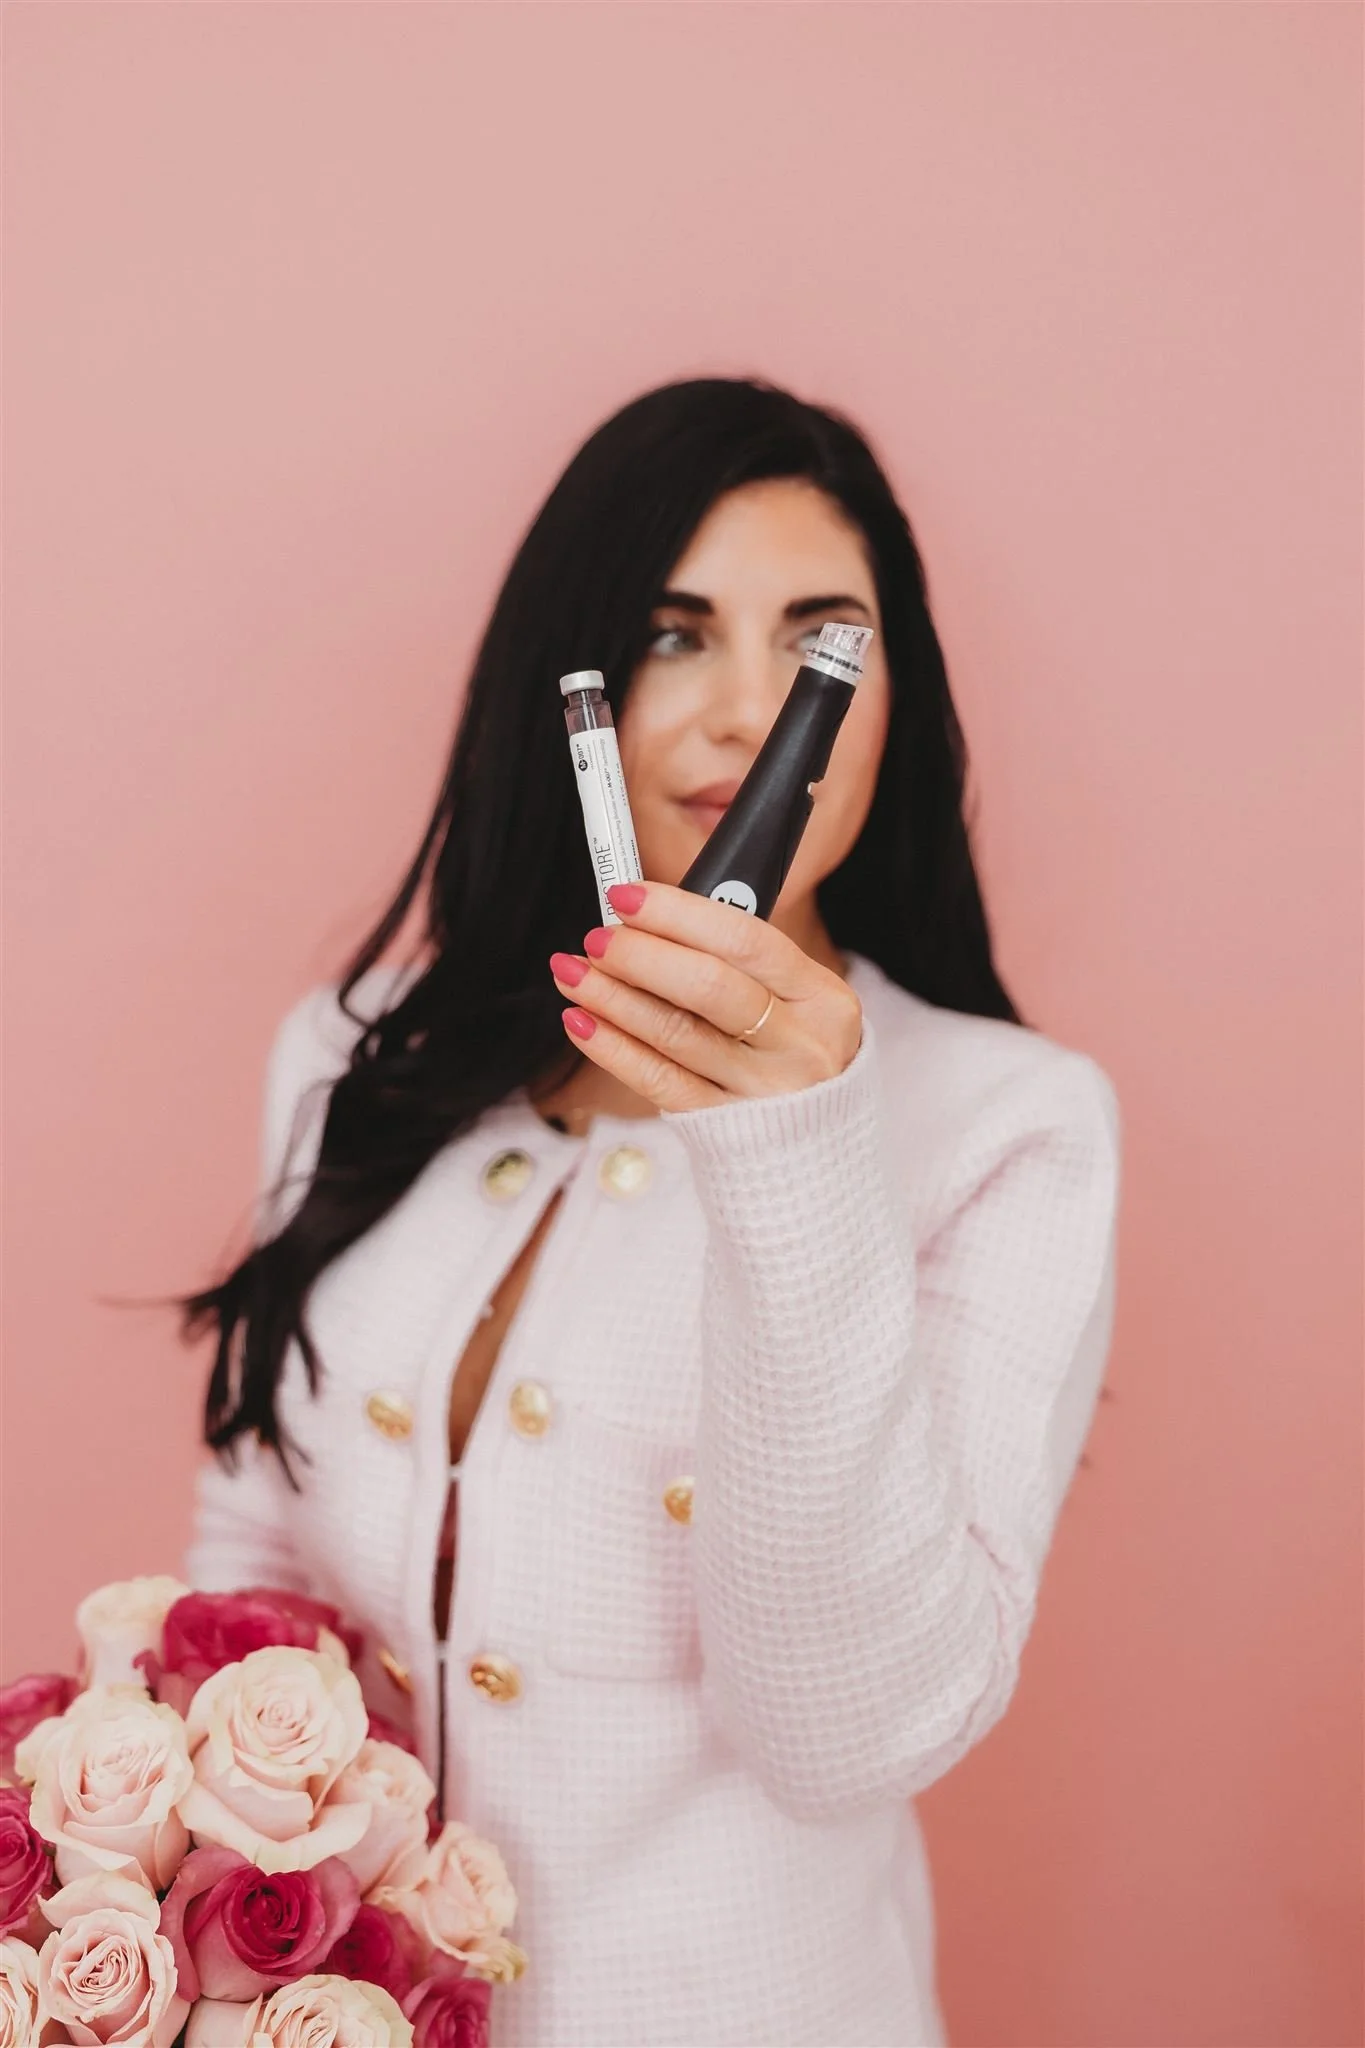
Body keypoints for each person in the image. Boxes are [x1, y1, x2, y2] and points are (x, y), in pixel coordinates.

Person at [180, 376, 1121, 2048]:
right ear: (574, 688)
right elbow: (246, 1570)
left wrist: (792, 1148)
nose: (752, 714)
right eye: (676, 635)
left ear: (893, 702)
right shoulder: (351, 1059)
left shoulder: (1010, 1128)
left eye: (821, 642)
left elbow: (847, 1733)